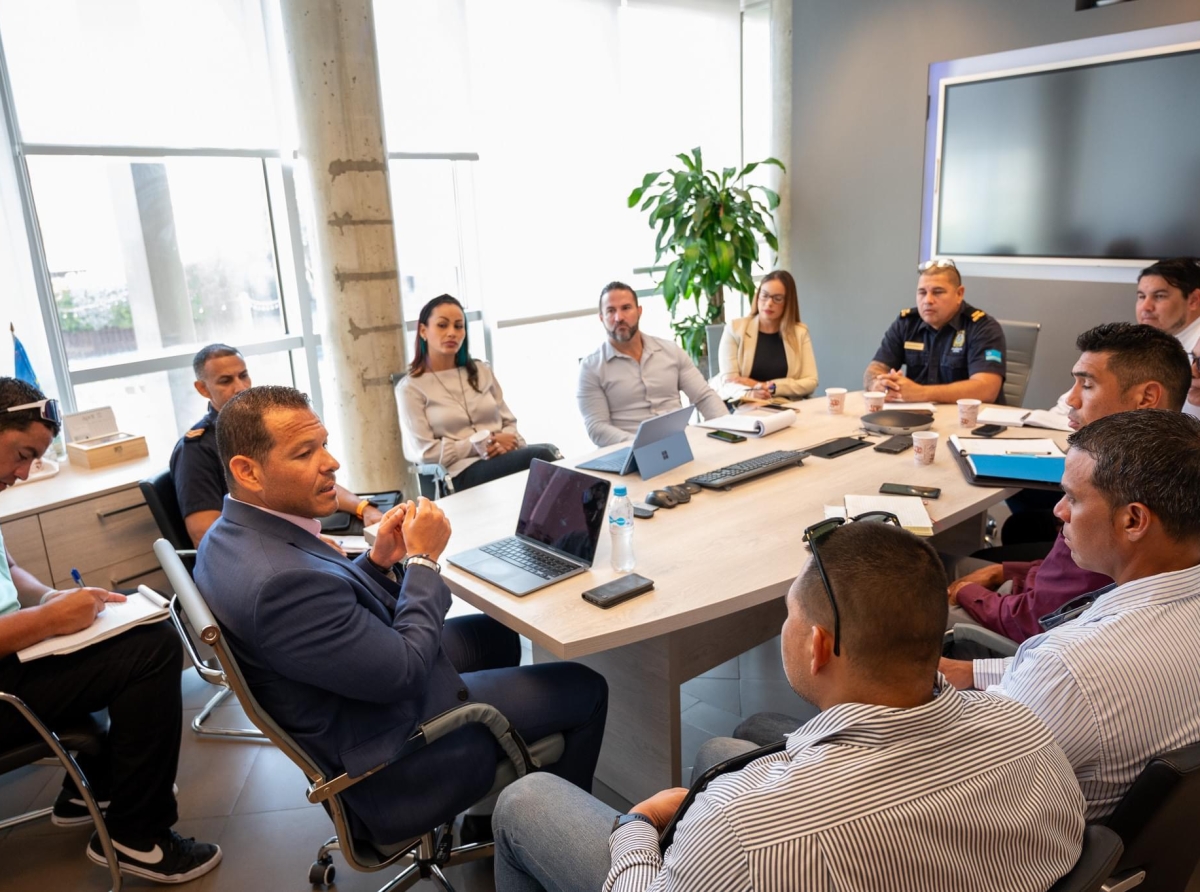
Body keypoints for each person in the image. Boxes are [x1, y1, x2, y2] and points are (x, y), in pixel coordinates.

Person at [492, 520, 1085, 892]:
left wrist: (637, 825)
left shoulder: (742, 831)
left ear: (818, 644)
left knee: (526, 800)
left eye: (789, 614)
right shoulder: (1026, 730)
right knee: (722, 751)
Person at [194, 385, 607, 845]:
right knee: (586, 687)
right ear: (247, 470)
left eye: (325, 444)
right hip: (393, 756)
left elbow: (326, 612)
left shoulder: (228, 536)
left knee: (497, 634)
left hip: (351, 690)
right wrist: (422, 561)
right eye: (304, 452)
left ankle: (495, 814)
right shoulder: (276, 584)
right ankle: (557, 843)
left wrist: (378, 563)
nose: (330, 462)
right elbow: (404, 672)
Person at [0, 377, 220, 884]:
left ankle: (94, 786)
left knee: (125, 632)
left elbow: (8, 568)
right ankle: (138, 835)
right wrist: (47, 622)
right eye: (21, 454)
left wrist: (48, 598)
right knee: (153, 651)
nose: (23, 472)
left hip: (15, 652)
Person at [940, 410, 1200, 819]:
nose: (1059, 511)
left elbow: (957, 783)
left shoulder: (1070, 667)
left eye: (1074, 498)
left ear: (1133, 520)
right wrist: (973, 673)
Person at [949, 323, 1191, 642]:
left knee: (930, 578)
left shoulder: (1109, 488)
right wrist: (1007, 571)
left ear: (1147, 396)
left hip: (1037, 640)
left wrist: (967, 593)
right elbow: (1065, 583)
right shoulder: (1180, 466)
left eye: (1087, 385)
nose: (1071, 399)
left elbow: (1036, 620)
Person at [170, 343, 382, 546]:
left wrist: (363, 507)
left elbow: (315, 477)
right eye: (225, 381)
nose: (240, 387)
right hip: (267, 547)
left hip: (294, 530)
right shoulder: (196, 450)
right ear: (202, 388)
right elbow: (205, 534)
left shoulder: (260, 425)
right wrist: (302, 543)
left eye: (243, 375)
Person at [396, 295, 560, 496]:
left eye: (458, 326)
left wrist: (504, 442)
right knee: (542, 457)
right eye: (442, 325)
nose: (452, 333)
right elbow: (425, 453)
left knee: (549, 455)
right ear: (423, 331)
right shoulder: (411, 388)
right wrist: (480, 444)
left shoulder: (481, 371)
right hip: (460, 472)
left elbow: (509, 422)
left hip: (503, 458)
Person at [577, 282, 729, 447]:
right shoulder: (591, 368)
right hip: (629, 454)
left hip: (681, 446)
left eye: (626, 308)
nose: (619, 317)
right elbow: (597, 428)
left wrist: (729, 430)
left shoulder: (670, 351)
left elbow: (704, 397)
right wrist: (642, 445)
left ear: (639, 311)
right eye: (611, 311)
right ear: (601, 318)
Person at [863, 258, 1006, 404]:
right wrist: (878, 384)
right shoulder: (906, 324)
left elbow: (987, 389)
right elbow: (875, 368)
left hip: (968, 420)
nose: (928, 300)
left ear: (959, 294)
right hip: (917, 418)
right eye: (922, 292)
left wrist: (921, 392)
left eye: (937, 292)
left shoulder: (983, 328)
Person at [711, 270, 818, 401]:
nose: (769, 303)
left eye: (777, 299)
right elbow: (729, 380)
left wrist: (768, 387)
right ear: (757, 296)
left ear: (788, 303)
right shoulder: (735, 329)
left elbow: (811, 381)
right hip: (744, 404)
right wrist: (750, 393)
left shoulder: (799, 333)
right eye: (764, 295)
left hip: (785, 407)